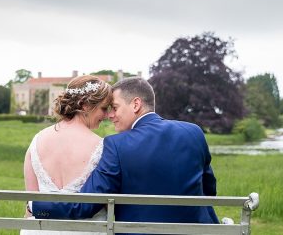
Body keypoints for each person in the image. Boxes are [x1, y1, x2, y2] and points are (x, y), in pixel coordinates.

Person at [31, 77, 219, 233]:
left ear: (136, 104)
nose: (110, 115)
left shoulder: (116, 145)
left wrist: (36, 206)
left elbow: (86, 203)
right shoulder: (193, 132)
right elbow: (209, 190)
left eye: (115, 107)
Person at [20, 75, 113, 235]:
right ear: (84, 105)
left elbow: (31, 205)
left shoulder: (36, 141)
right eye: (104, 108)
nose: (106, 116)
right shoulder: (102, 146)